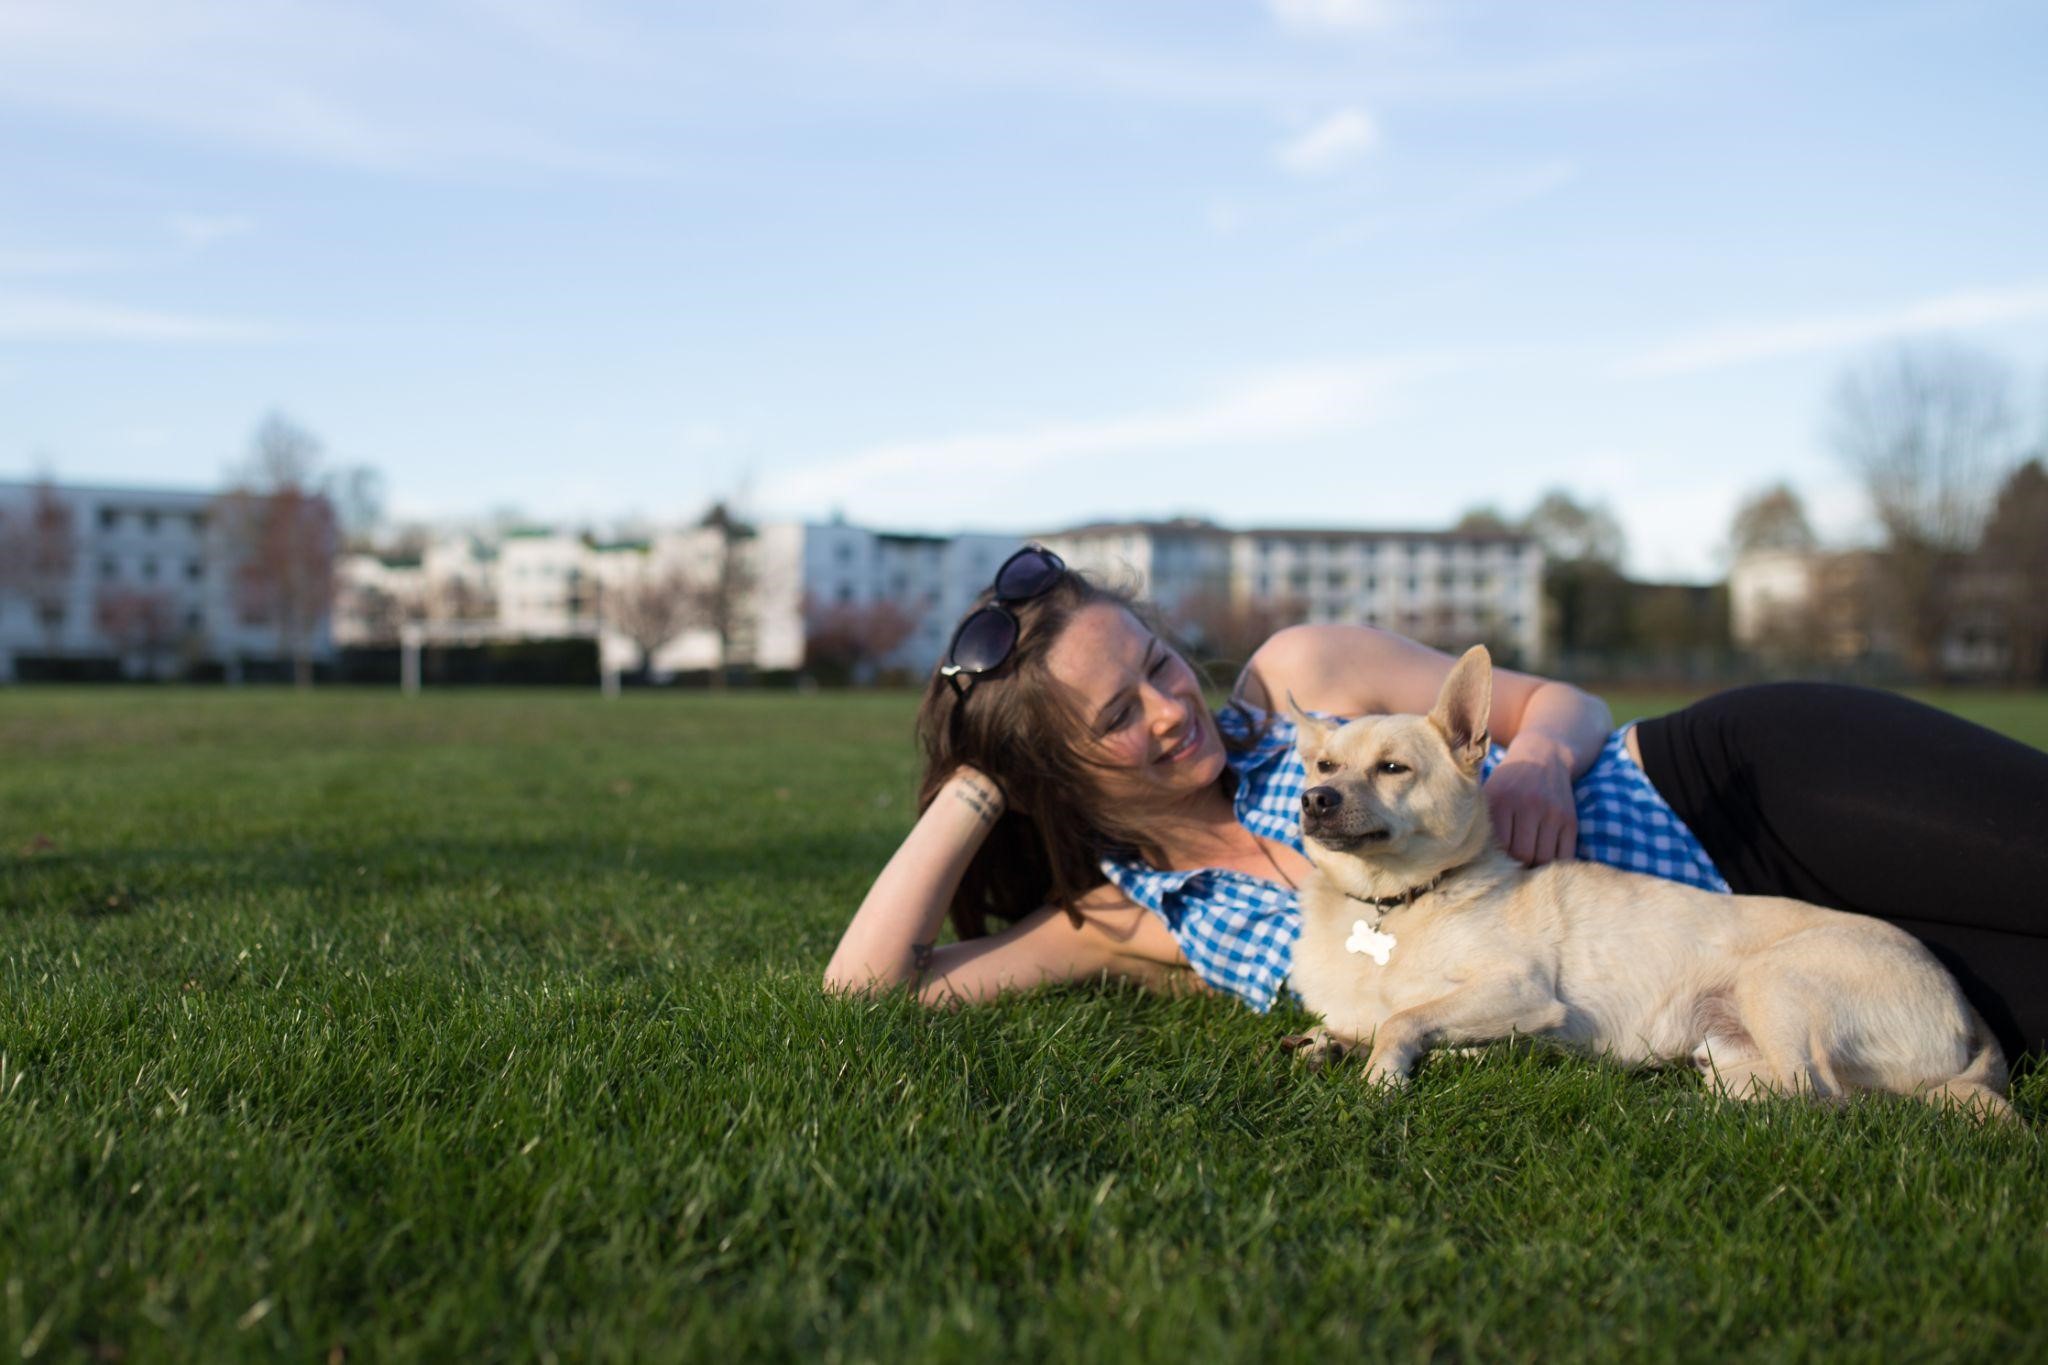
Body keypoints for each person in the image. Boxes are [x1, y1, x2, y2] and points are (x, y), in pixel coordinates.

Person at [823, 546, 2048, 1063]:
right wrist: (981, 774)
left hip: (1738, 792)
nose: (1166, 708)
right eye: (1113, 718)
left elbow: (1553, 701)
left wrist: (1531, 766)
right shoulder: (1134, 916)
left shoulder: (1302, 675)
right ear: (1058, 772)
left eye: (1152, 659)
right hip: (1743, 977)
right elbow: (865, 993)